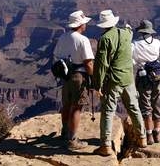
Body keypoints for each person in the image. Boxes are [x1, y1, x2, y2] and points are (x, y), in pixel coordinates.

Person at [92, 10, 146, 156]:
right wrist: (127, 26)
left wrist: (97, 85)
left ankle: (105, 146)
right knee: (134, 108)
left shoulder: (105, 39)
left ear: (103, 25)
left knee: (108, 112)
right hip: (128, 79)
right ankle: (142, 138)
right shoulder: (126, 34)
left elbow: (101, 64)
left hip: (113, 81)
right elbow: (129, 28)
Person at [53, 10, 94, 151]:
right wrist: (93, 79)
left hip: (66, 76)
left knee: (67, 104)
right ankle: (72, 140)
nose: (86, 25)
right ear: (81, 24)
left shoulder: (63, 37)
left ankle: (64, 133)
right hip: (78, 76)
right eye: (84, 23)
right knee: (76, 107)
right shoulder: (83, 40)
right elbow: (88, 63)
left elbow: (56, 56)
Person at [131, 20, 160, 144]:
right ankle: (157, 133)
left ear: (141, 32)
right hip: (158, 75)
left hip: (144, 77)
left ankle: (149, 135)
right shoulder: (157, 42)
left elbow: (131, 59)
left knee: (145, 105)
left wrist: (138, 63)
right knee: (157, 103)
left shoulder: (134, 43)